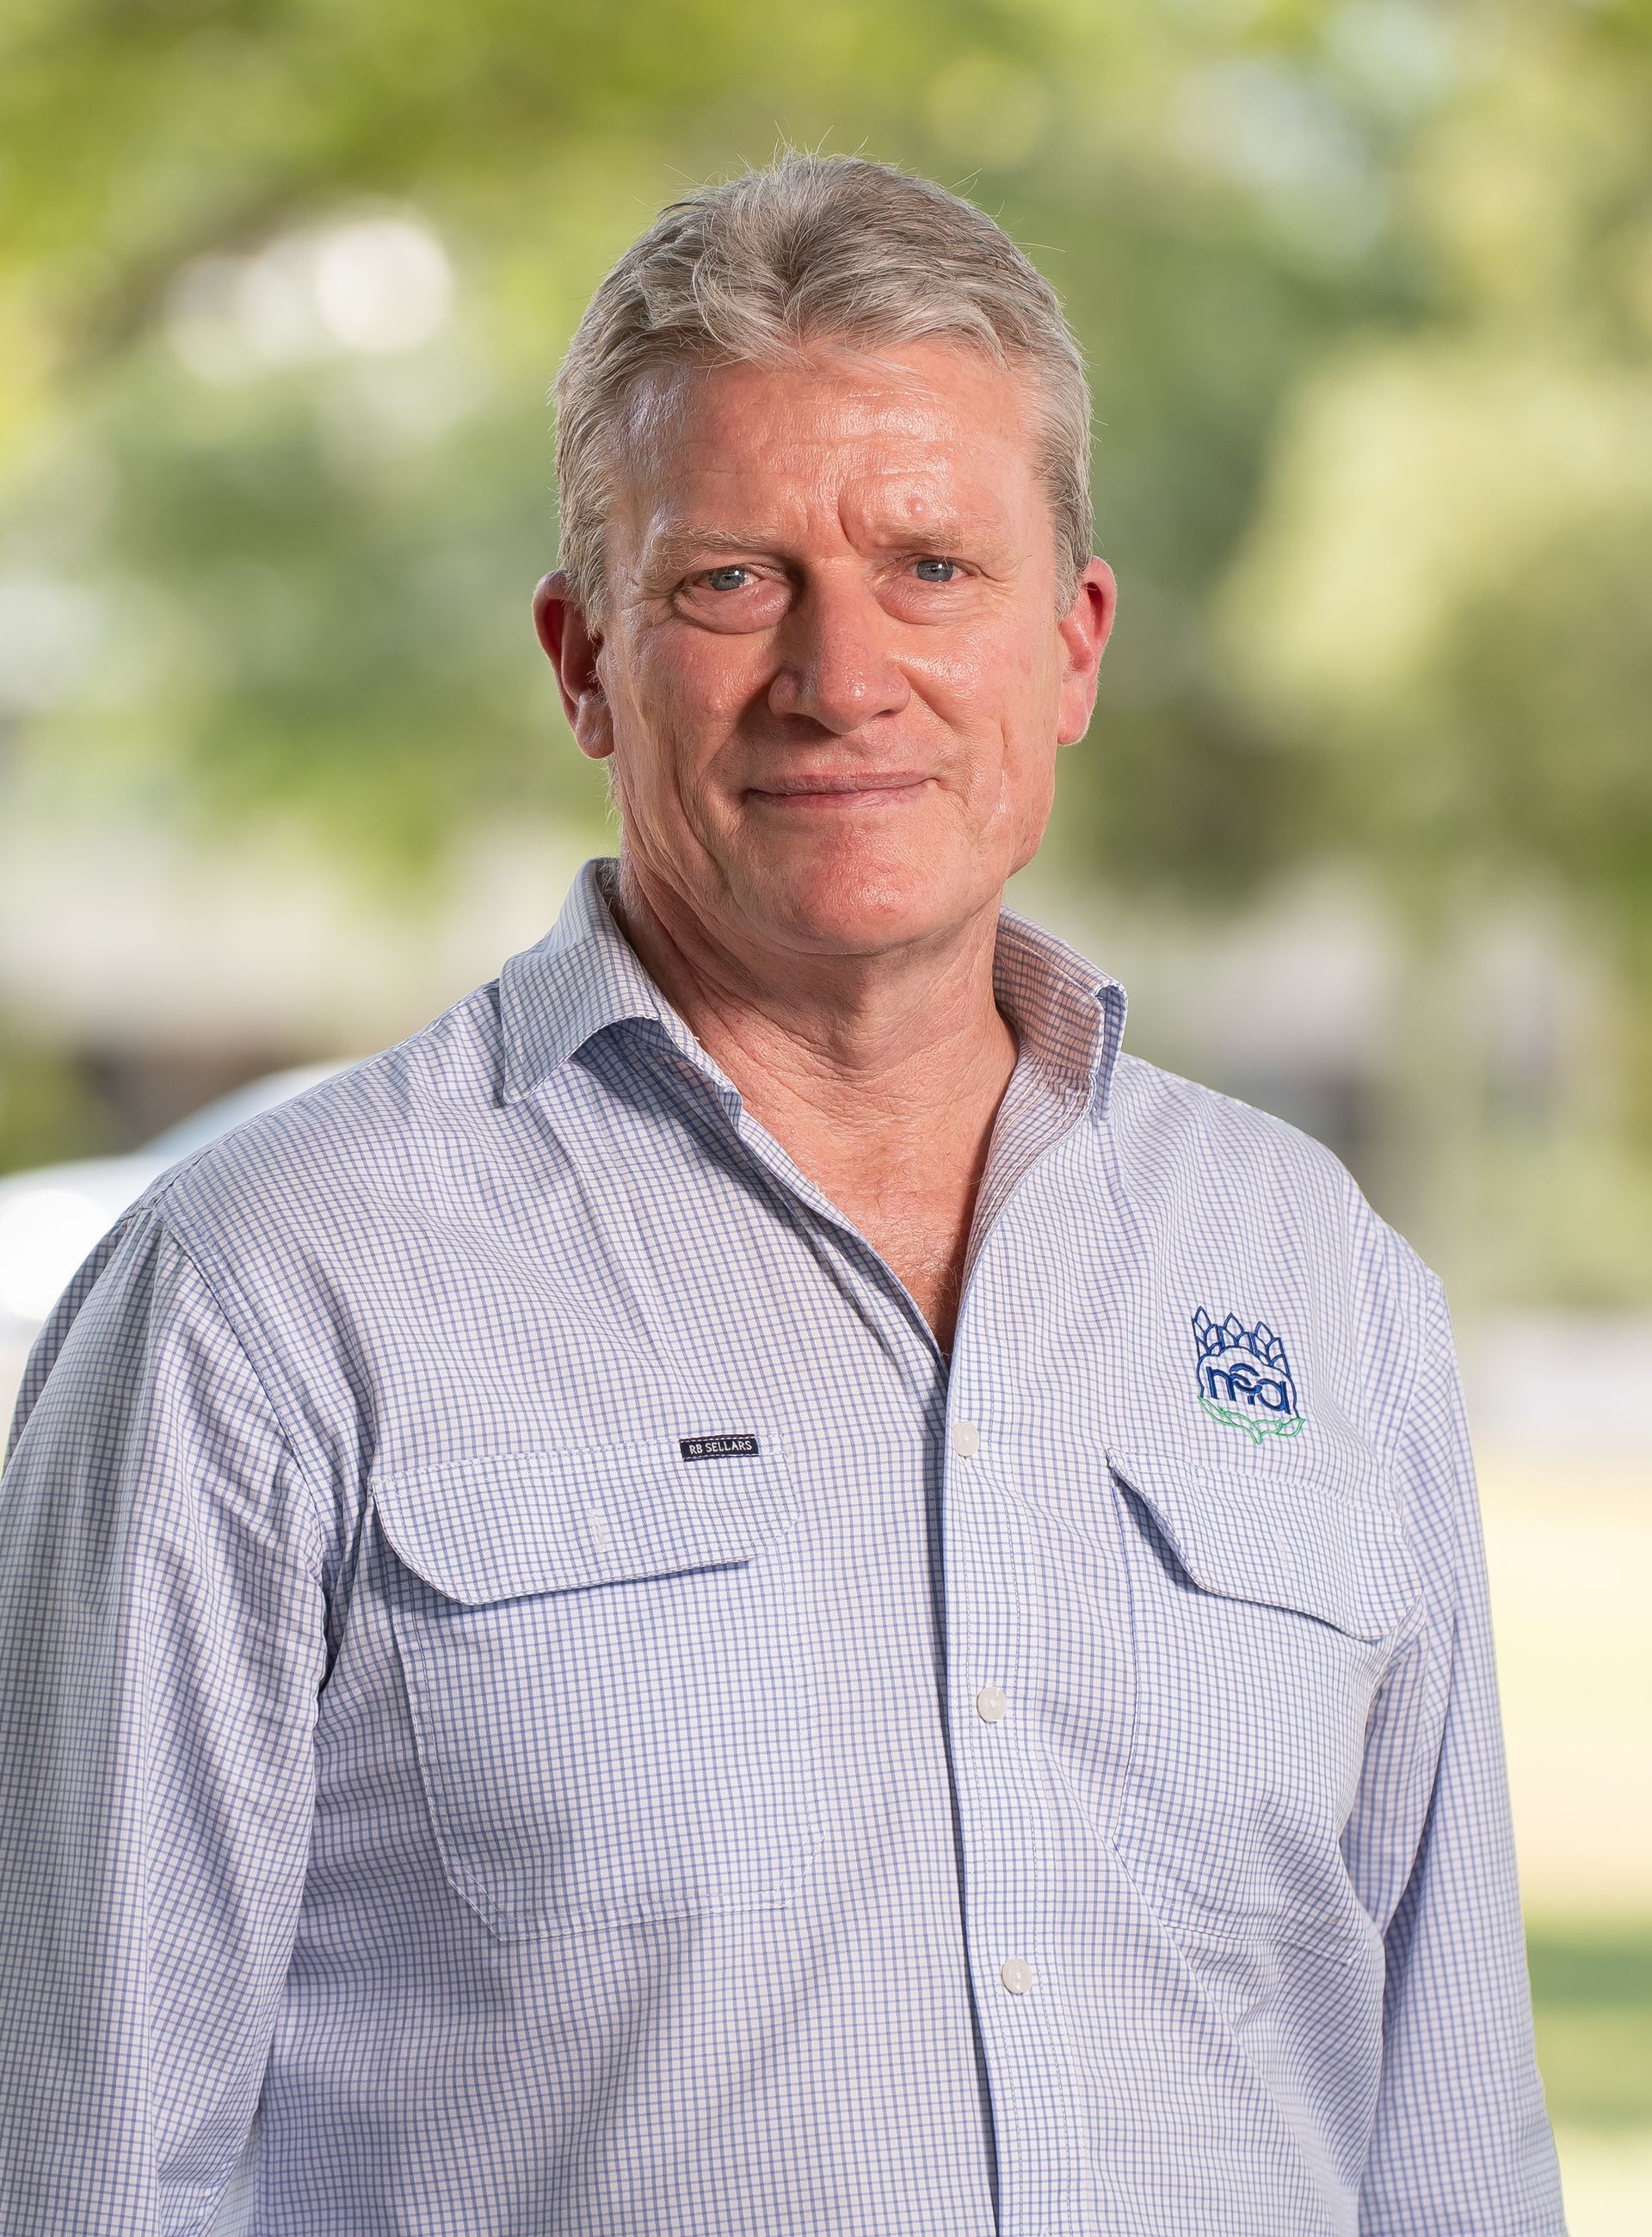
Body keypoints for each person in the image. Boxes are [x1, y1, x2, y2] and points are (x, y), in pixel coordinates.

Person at [0, 153, 1563, 2236]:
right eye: (732, 581)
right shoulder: (265, 1300)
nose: (845, 675)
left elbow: (1448, 2153)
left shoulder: (1323, 1283)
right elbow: (79, 2167)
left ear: (1073, 647)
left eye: (934, 569)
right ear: (580, 662)